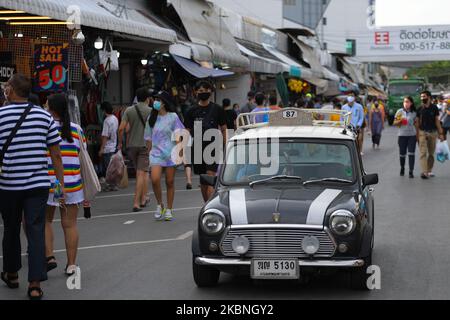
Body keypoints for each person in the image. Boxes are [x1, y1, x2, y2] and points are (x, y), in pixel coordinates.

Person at [0, 74, 64, 300]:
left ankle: (12, 273)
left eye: (7, 86)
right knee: (36, 230)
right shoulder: (44, 117)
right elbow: (55, 154)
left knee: (10, 228)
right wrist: (60, 183)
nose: (5, 89)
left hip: (8, 185)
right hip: (38, 185)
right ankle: (35, 284)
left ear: (12, 91)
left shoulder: (0, 115)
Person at [44, 93, 86, 277]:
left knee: (46, 221)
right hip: (72, 184)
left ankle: (49, 256)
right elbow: (80, 154)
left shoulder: (45, 128)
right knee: (69, 225)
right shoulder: (76, 130)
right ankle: (71, 264)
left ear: (51, 108)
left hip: (49, 183)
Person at [144, 91, 185, 221]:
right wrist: (149, 152)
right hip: (156, 154)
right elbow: (148, 137)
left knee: (170, 181)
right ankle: (159, 204)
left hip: (170, 153)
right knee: (155, 179)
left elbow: (179, 133)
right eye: (155, 99)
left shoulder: (173, 117)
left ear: (164, 102)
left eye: (158, 99)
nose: (155, 101)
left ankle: (169, 209)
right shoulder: (151, 117)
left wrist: (180, 151)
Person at [184, 81, 227, 202]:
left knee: (210, 178)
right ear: (196, 92)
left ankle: (212, 205)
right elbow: (186, 131)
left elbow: (224, 129)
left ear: (211, 92)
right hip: (197, 148)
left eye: (206, 90)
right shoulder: (191, 111)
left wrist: (226, 146)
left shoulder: (217, 109)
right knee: (203, 181)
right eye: (201, 91)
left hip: (213, 147)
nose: (203, 93)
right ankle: (207, 204)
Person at [118, 87, 152, 211]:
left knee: (142, 172)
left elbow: (122, 128)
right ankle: (137, 202)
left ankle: (144, 198)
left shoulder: (129, 110)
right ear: (148, 98)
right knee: (141, 173)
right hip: (145, 145)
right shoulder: (151, 111)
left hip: (132, 146)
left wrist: (120, 143)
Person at [415, 90, 445, 179]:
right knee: (423, 152)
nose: (422, 98)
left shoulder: (434, 108)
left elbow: (437, 121)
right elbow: (416, 122)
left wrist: (441, 133)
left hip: (433, 132)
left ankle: (429, 170)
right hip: (422, 132)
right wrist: (417, 134)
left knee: (431, 153)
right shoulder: (419, 108)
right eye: (421, 97)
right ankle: (424, 172)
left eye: (423, 96)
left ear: (429, 97)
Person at [393, 96, 418, 178]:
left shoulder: (414, 112)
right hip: (402, 135)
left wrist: (417, 136)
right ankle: (402, 168)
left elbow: (417, 124)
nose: (405, 103)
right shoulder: (399, 111)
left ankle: (411, 171)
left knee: (411, 153)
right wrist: (400, 121)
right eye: (404, 102)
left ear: (411, 103)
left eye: (407, 102)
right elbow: (395, 123)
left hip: (412, 136)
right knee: (402, 154)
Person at [99, 101, 119, 191]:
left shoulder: (106, 121)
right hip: (113, 146)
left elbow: (105, 136)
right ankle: (114, 184)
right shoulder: (115, 118)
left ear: (104, 111)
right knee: (113, 167)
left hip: (107, 148)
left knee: (107, 168)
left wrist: (101, 149)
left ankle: (108, 185)